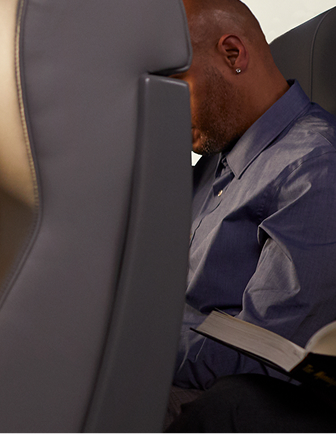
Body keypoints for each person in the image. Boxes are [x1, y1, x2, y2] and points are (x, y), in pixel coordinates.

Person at [164, 0, 336, 430]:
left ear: (233, 55)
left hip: (212, 394)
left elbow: (264, 354)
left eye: (176, 83)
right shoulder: (211, 164)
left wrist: (127, 349)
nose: (166, 109)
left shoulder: (314, 169)